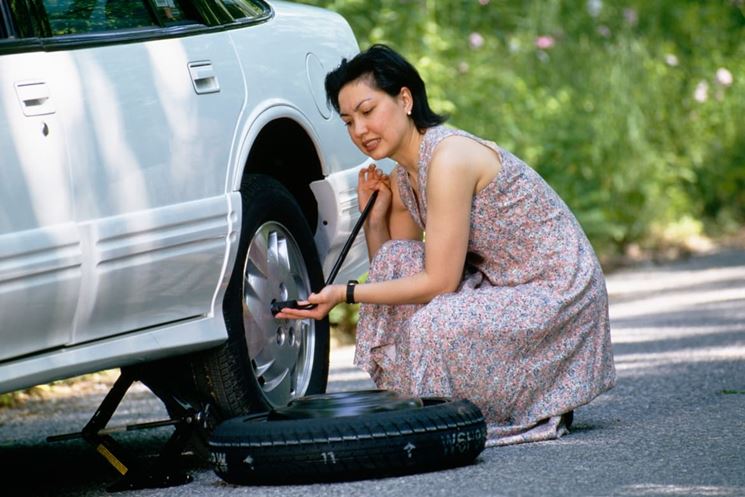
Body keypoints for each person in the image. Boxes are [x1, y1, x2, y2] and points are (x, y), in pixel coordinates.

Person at [276, 44, 616, 446]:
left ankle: (521, 402)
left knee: (433, 326)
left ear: (405, 99)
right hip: (502, 287)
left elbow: (437, 282)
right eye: (349, 122)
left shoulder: (450, 157)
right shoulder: (403, 178)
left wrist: (344, 293)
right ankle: (425, 402)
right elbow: (396, 278)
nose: (360, 131)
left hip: (556, 293)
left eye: (368, 111)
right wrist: (374, 216)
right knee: (405, 279)